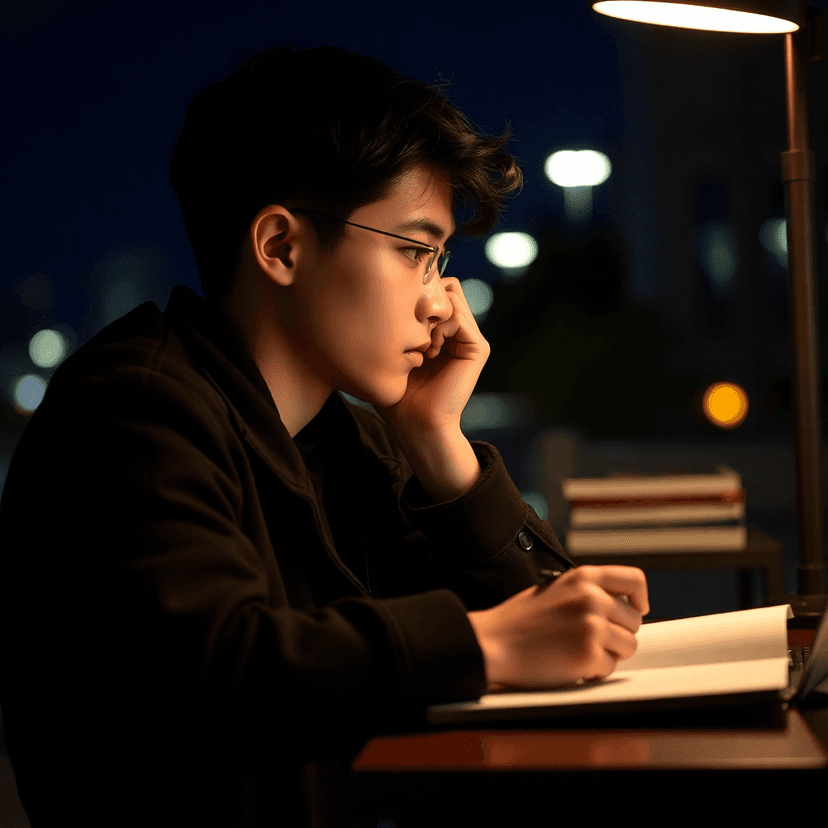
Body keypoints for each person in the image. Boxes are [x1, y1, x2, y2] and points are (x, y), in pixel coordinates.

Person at [0, 45, 648, 828]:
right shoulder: (132, 413)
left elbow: (570, 637)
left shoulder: (350, 440)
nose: (441, 303)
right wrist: (486, 648)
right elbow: (218, 675)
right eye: (414, 252)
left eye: (441, 260)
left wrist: (438, 444)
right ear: (280, 247)